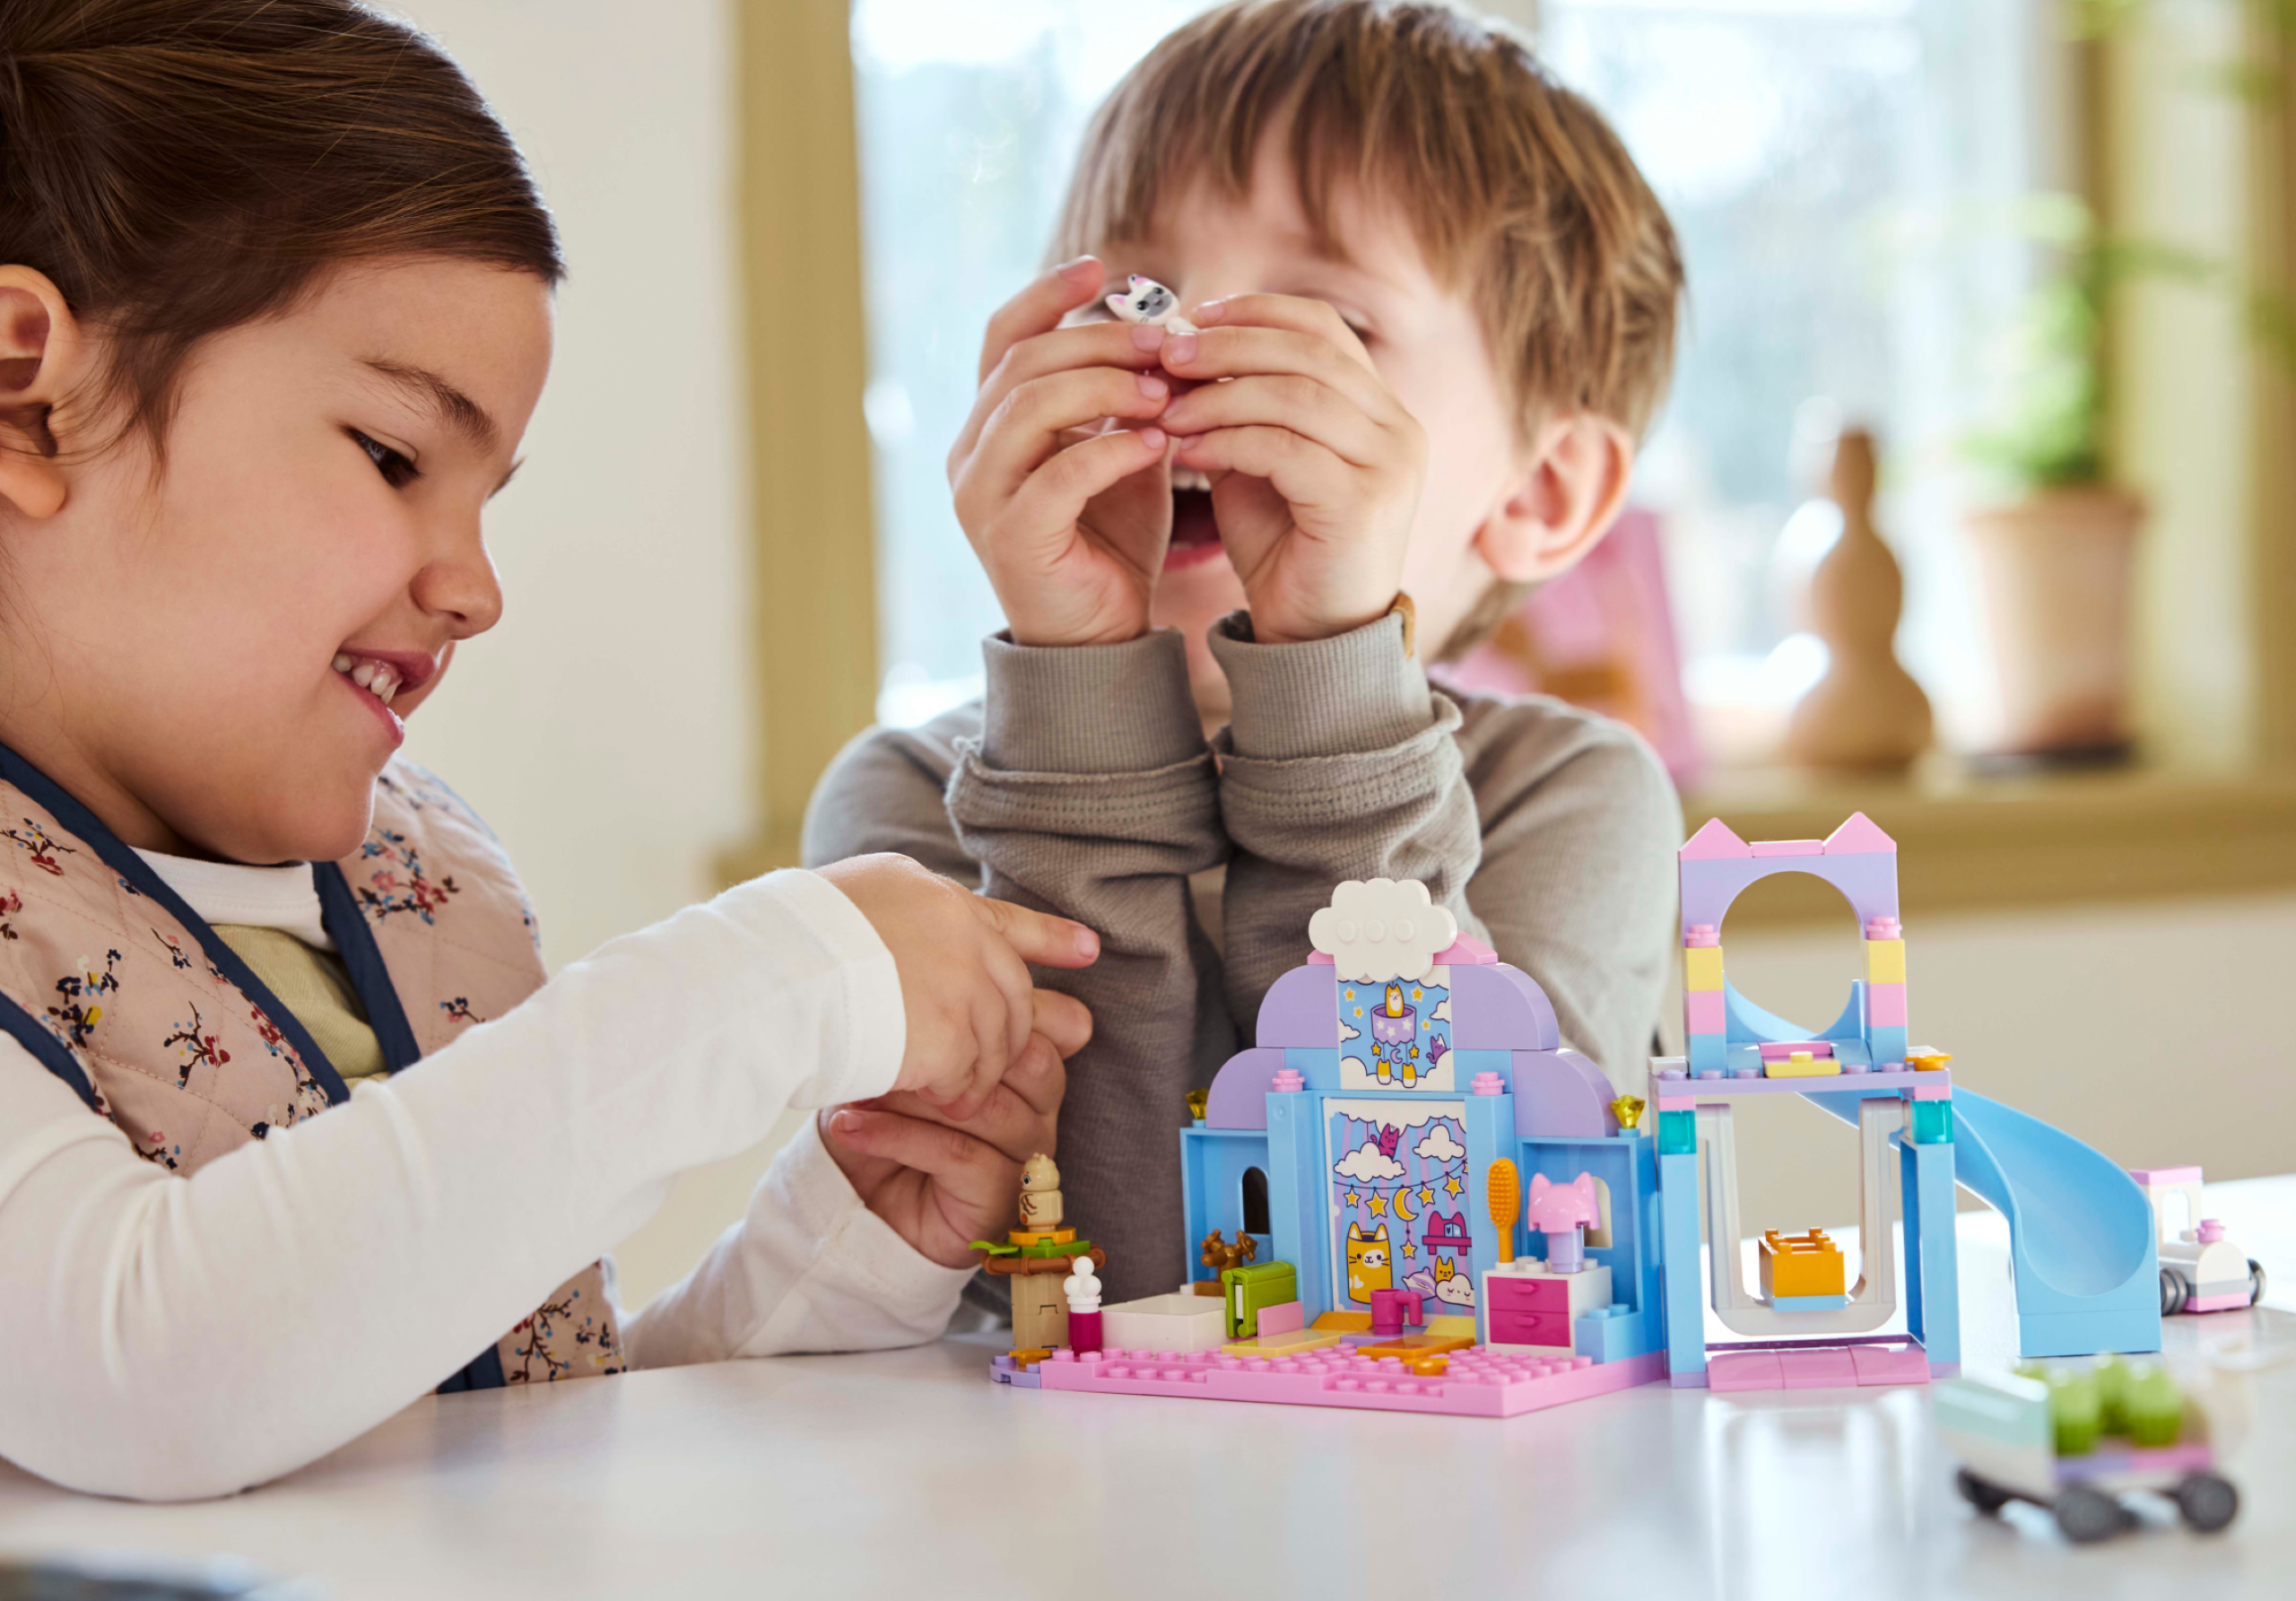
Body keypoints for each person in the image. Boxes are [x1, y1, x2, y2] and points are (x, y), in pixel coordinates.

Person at [0, 0, 1095, 1502]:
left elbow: (499, 1433)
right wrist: (758, 985)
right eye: (394, 456)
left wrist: (832, 1258)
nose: (475, 587)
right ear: (28, 393)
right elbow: (147, 1375)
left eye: (487, 499)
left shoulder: (420, 880)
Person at [808, 0, 1686, 1302]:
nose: (1184, 361)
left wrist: (1333, 671)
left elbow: (1432, 1273)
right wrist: (1081, 683)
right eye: (1131, 300)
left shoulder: (1575, 801)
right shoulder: (904, 818)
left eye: (1324, 324)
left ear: (1541, 491)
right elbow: (1105, 1293)